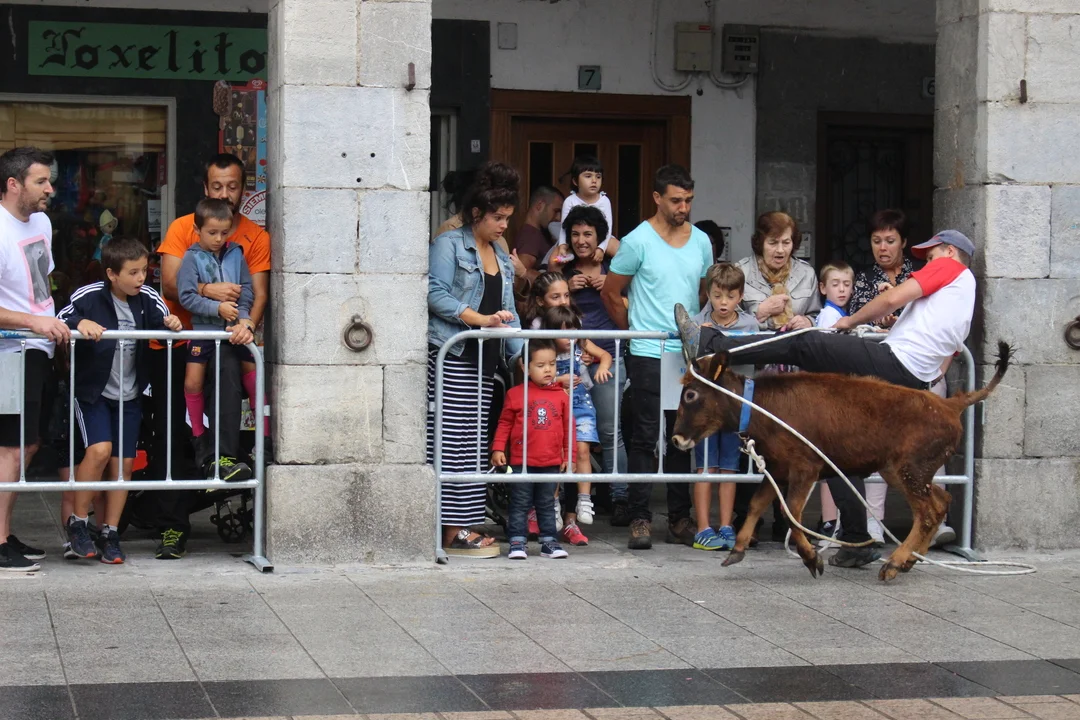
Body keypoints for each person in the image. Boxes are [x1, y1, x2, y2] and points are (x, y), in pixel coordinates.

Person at [678, 229, 978, 567]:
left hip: (895, 360)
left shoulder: (951, 267)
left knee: (805, 342)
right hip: (911, 372)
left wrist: (850, 320)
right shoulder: (964, 299)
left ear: (949, 252)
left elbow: (892, 299)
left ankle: (711, 344)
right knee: (832, 446)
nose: (927, 264)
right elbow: (947, 355)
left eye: (931, 255)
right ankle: (857, 538)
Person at [150, 153, 270, 560]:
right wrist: (208, 292)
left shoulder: (253, 237)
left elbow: (258, 293)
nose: (224, 193)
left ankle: (226, 463)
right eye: (216, 186)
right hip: (178, 343)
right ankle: (171, 526)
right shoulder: (184, 227)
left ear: (243, 189)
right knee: (171, 435)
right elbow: (170, 284)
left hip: (227, 342)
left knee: (227, 415)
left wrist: (246, 325)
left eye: (232, 186)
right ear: (205, 188)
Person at [601, 164, 713, 550]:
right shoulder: (637, 241)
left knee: (682, 433)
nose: (684, 207)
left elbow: (703, 291)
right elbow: (611, 292)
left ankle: (680, 518)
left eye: (689, 200)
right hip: (648, 349)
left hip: (685, 352)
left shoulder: (701, 241)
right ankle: (640, 517)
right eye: (676, 200)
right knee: (645, 435)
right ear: (657, 198)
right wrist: (635, 331)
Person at [56, 238, 183, 563]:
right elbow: (60, 317)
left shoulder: (148, 298)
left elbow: (165, 319)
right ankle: (78, 523)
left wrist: (172, 323)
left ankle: (110, 533)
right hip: (94, 394)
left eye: (144, 270)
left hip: (130, 396)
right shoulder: (89, 295)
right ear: (112, 274)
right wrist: (79, 323)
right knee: (99, 450)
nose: (141, 278)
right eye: (133, 272)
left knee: (123, 466)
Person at [428, 161, 523, 558]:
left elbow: (510, 310)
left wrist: (522, 356)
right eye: (498, 218)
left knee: (472, 445)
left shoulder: (500, 255)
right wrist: (480, 320)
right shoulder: (449, 244)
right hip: (452, 353)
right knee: (450, 443)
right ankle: (449, 529)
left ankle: (462, 525)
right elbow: (434, 293)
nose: (504, 225)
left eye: (508, 218)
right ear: (476, 213)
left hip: (485, 360)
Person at [0, 147, 70, 572]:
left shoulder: (41, 222)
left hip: (39, 349)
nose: (50, 189)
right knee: (11, 447)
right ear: (13, 184)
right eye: (41, 181)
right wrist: (34, 322)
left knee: (28, 444)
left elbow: (40, 285)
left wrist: (51, 325)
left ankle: (4, 533)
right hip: (11, 351)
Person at [555, 205, 629, 524]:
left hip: (608, 357)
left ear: (600, 238)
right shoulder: (562, 268)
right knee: (565, 433)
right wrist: (566, 289)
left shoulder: (616, 269)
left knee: (610, 430)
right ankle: (566, 500)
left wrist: (610, 289)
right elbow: (548, 305)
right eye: (575, 234)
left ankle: (620, 497)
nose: (581, 240)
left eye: (588, 234)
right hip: (568, 363)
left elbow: (633, 305)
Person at [176, 198, 256, 471]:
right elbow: (186, 296)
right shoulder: (191, 257)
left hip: (234, 331)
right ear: (197, 230)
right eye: (212, 232)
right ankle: (199, 438)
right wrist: (216, 308)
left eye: (224, 232)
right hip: (203, 331)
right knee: (192, 383)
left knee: (253, 376)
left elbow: (246, 290)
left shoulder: (236, 253)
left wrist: (243, 317)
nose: (219, 239)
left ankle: (264, 437)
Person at [689, 263, 757, 551]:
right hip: (704, 411)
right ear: (708, 294)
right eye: (717, 296)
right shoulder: (696, 323)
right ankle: (703, 528)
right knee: (706, 467)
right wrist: (699, 337)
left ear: (740, 296)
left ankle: (727, 526)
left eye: (730, 296)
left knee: (730, 467)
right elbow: (689, 364)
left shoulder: (750, 325)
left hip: (733, 409)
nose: (723, 303)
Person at [491, 340, 572, 560]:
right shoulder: (515, 394)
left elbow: (568, 427)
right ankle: (517, 541)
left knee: (547, 503)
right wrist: (498, 448)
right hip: (521, 461)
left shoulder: (561, 395)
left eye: (552, 364)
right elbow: (504, 423)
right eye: (540, 365)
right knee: (520, 502)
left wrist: (568, 455)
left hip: (551, 461)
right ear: (525, 367)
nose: (548, 370)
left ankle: (549, 542)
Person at [542, 305, 613, 544]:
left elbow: (605, 355)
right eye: (562, 332)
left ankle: (584, 499)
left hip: (581, 404)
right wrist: (557, 380)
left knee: (582, 450)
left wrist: (602, 366)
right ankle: (553, 504)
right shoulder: (546, 351)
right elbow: (533, 373)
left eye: (572, 331)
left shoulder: (581, 344)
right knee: (558, 455)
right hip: (556, 406)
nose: (569, 337)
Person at [812, 260, 854, 547]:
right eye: (835, 284)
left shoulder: (839, 314)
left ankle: (833, 521)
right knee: (831, 462)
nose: (841, 289)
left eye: (846, 284)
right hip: (832, 395)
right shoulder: (829, 316)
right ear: (823, 288)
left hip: (835, 395)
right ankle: (830, 521)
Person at [737, 212, 820, 331]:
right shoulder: (741, 273)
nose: (780, 250)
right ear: (761, 243)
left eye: (786, 243)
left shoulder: (807, 273)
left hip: (796, 341)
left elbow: (817, 317)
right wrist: (759, 313)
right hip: (757, 341)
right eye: (773, 243)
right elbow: (724, 321)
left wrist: (808, 322)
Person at [849, 209, 916, 329]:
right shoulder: (865, 278)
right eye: (876, 241)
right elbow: (857, 319)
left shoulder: (918, 273)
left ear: (903, 242)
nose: (882, 248)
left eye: (890, 241)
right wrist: (881, 322)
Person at [556, 156, 618, 259]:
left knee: (620, 250)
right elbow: (564, 228)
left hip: (602, 239)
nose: (594, 181)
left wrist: (601, 248)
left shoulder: (604, 201)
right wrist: (562, 245)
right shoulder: (570, 201)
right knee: (555, 259)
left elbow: (608, 228)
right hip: (575, 239)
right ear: (575, 181)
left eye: (598, 177)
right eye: (588, 176)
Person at [510, 186, 563, 286]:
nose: (558, 218)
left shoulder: (538, 233)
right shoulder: (530, 235)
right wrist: (553, 282)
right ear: (540, 205)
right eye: (556, 211)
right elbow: (517, 277)